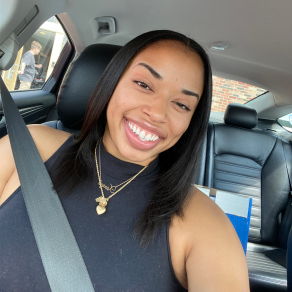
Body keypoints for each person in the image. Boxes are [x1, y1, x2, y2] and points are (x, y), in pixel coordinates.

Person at [0, 30, 250, 291]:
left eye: (182, 105)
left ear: (191, 123)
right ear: (112, 81)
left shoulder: (205, 223)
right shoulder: (25, 148)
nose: (156, 113)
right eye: (143, 84)